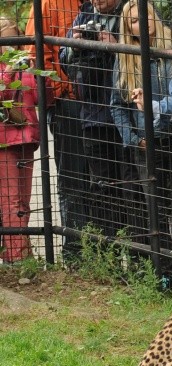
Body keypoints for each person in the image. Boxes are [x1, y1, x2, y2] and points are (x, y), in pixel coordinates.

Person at [111, 0, 172, 285]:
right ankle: (161, 274)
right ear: (127, 27)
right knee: (153, 209)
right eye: (133, 20)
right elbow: (116, 106)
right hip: (145, 145)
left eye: (145, 16)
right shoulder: (124, 57)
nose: (141, 23)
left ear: (154, 17)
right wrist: (133, 139)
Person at [61, 0, 133, 239]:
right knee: (101, 188)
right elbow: (63, 57)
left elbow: (147, 51)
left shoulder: (129, 12)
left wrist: (116, 46)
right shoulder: (84, 15)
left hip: (126, 116)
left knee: (132, 188)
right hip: (93, 115)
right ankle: (107, 255)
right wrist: (75, 44)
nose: (96, 1)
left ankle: (139, 259)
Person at [25, 0, 87, 262]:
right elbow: (35, 54)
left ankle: (108, 248)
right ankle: (75, 250)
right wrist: (61, 91)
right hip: (68, 104)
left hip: (104, 103)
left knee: (107, 180)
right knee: (72, 179)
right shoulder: (49, 3)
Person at [0, 18, 40, 263]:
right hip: (4, 141)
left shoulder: (25, 64)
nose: (13, 46)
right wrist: (10, 70)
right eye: (7, 41)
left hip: (26, 137)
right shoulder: (7, 67)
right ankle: (18, 259)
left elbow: (39, 98)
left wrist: (37, 73)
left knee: (23, 201)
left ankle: (16, 254)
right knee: (11, 200)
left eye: (16, 39)